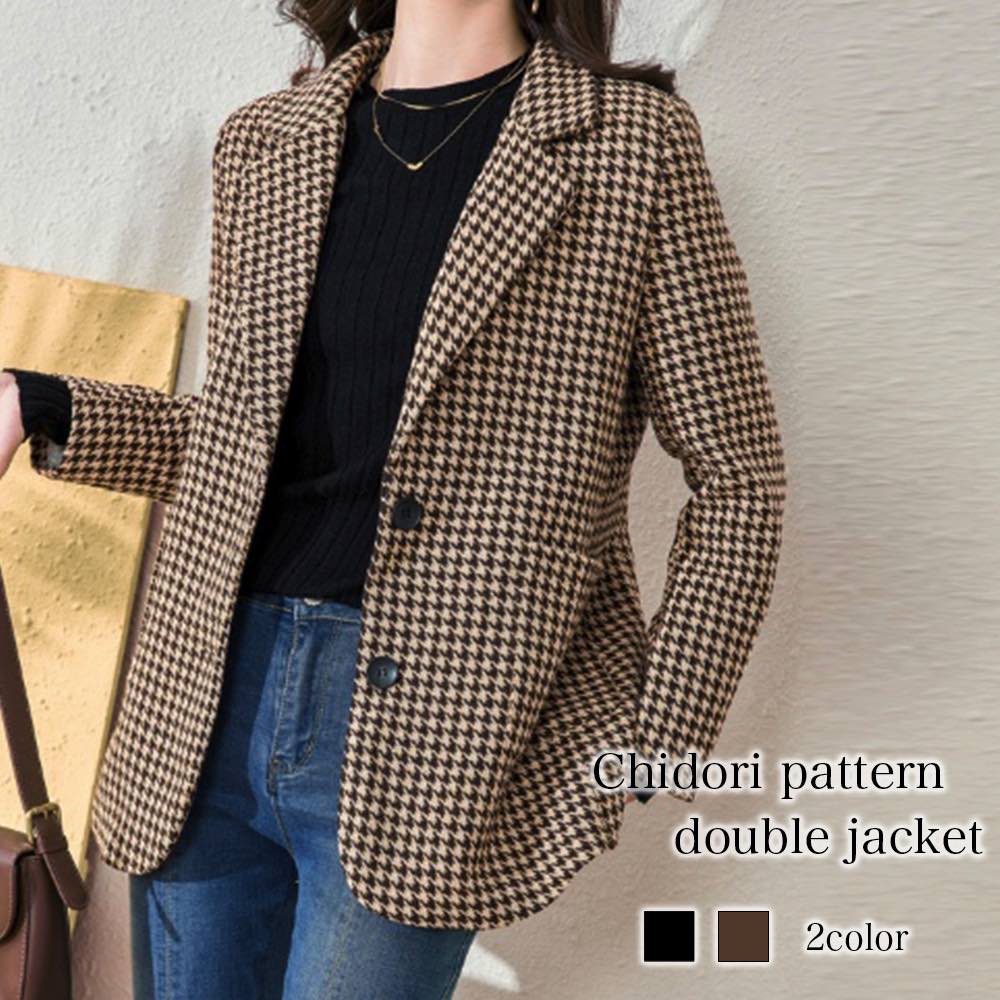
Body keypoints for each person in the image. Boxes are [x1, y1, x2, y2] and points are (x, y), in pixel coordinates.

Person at [0, 1, 787, 997]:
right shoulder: (267, 142)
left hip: (440, 730)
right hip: (207, 697)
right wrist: (41, 403)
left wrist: (654, 737)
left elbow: (738, 475)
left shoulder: (630, 147)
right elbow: (244, 443)